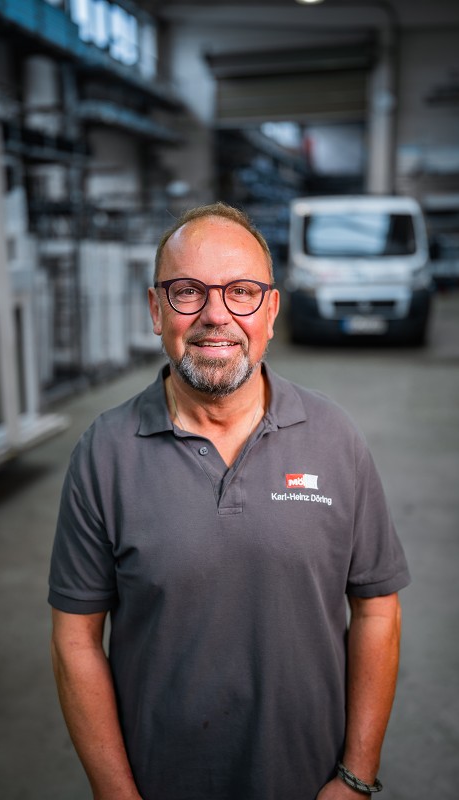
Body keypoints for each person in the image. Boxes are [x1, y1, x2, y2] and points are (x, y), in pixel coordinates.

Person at [48, 202, 410, 800]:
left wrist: (356, 776)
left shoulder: (334, 438)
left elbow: (376, 611)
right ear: (156, 310)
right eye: (188, 291)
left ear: (271, 311)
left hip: (309, 783)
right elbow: (75, 640)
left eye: (241, 292)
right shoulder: (104, 453)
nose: (216, 315)